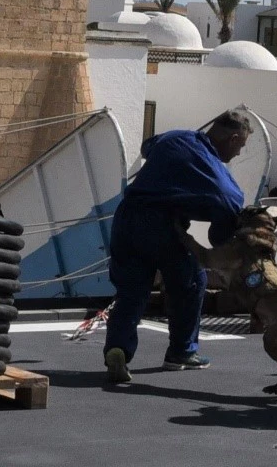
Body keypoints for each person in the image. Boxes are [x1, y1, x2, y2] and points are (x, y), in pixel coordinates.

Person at [103, 110, 252, 383]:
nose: (239, 153)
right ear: (232, 138)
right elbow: (228, 209)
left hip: (127, 219)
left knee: (131, 292)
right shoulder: (218, 175)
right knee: (191, 282)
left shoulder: (177, 137)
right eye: (240, 145)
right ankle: (181, 352)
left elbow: (147, 146)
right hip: (163, 226)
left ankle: (118, 349)